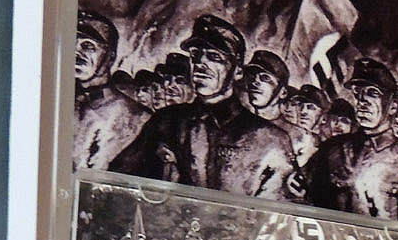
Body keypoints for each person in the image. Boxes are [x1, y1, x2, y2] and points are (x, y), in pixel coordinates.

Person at [111, 15, 295, 199]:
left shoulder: (271, 140)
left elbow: (285, 209)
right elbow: (117, 182)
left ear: (238, 70)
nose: (200, 64)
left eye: (214, 57)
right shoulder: (166, 123)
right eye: (195, 55)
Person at [292, 59, 398, 222]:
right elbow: (297, 195)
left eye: (373, 93)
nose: (362, 101)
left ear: (393, 106)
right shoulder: (332, 149)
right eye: (358, 93)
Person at [71, 10, 150, 170]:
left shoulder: (138, 117)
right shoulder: (56, 104)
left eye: (88, 46)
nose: (76, 52)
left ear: (110, 58)